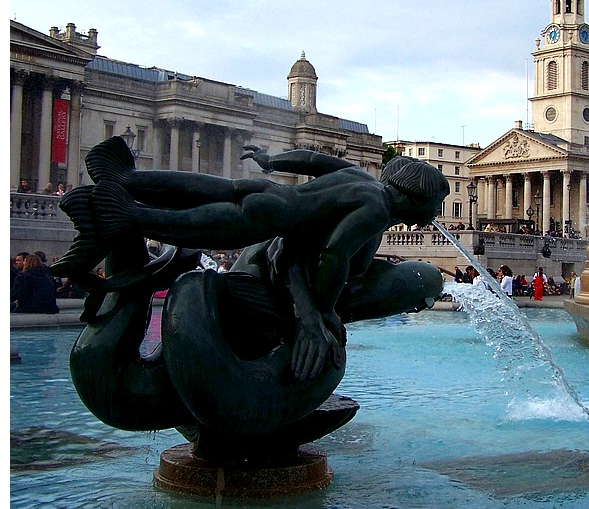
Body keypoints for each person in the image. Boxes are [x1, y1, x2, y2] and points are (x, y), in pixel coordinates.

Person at [53, 137, 450, 379]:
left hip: (268, 192)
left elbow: (313, 161)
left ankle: (125, 179)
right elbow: (334, 253)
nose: (435, 213)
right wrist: (320, 312)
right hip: (269, 218)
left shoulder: (363, 180)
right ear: (415, 199)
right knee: (189, 226)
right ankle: (124, 214)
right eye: (435, 204)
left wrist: (270, 161)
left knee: (210, 189)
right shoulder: (377, 209)